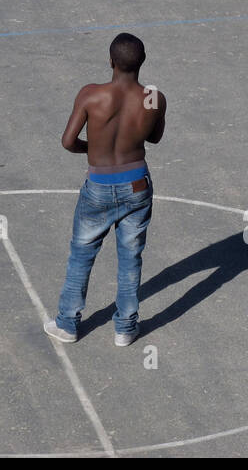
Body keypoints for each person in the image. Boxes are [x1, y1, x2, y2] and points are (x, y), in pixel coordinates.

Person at [45, 33, 166, 347]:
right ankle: (125, 328)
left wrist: (93, 148)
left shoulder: (91, 94)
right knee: (130, 257)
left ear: (110, 61)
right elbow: (154, 138)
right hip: (137, 183)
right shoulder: (153, 97)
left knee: (82, 254)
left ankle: (68, 324)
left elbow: (68, 141)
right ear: (142, 62)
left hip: (99, 186)